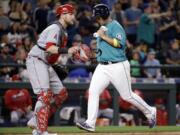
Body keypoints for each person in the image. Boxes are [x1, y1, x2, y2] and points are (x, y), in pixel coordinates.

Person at [76, 4, 156, 132]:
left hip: (118, 65)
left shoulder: (115, 26)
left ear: (100, 16)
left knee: (127, 95)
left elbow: (119, 44)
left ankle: (150, 111)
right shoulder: (103, 27)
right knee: (93, 92)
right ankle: (90, 123)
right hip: (102, 66)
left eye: (96, 17)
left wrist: (102, 36)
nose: (96, 19)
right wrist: (92, 56)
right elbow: (104, 49)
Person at [26, 4, 79, 135]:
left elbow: (53, 54)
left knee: (61, 94)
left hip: (45, 63)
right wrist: (68, 51)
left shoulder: (64, 32)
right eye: (71, 14)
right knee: (45, 94)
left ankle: (35, 120)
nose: (73, 16)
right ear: (63, 14)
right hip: (36, 60)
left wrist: (60, 61)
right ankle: (40, 131)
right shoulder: (55, 28)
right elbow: (50, 48)